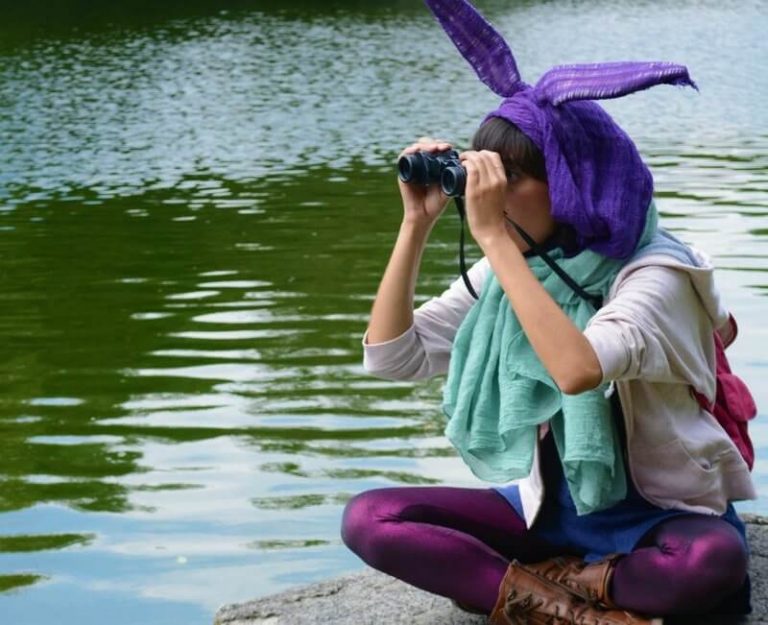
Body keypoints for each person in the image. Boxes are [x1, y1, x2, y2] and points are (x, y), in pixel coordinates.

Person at [340, 1, 757, 623]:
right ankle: (573, 607)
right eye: (486, 176)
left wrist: (494, 240)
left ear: (571, 182)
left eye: (510, 177)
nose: (489, 195)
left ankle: (538, 585)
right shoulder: (521, 267)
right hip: (547, 513)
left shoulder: (658, 274)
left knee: (709, 563)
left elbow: (578, 369)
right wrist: (415, 225)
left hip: (660, 516)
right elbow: (392, 358)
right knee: (372, 518)